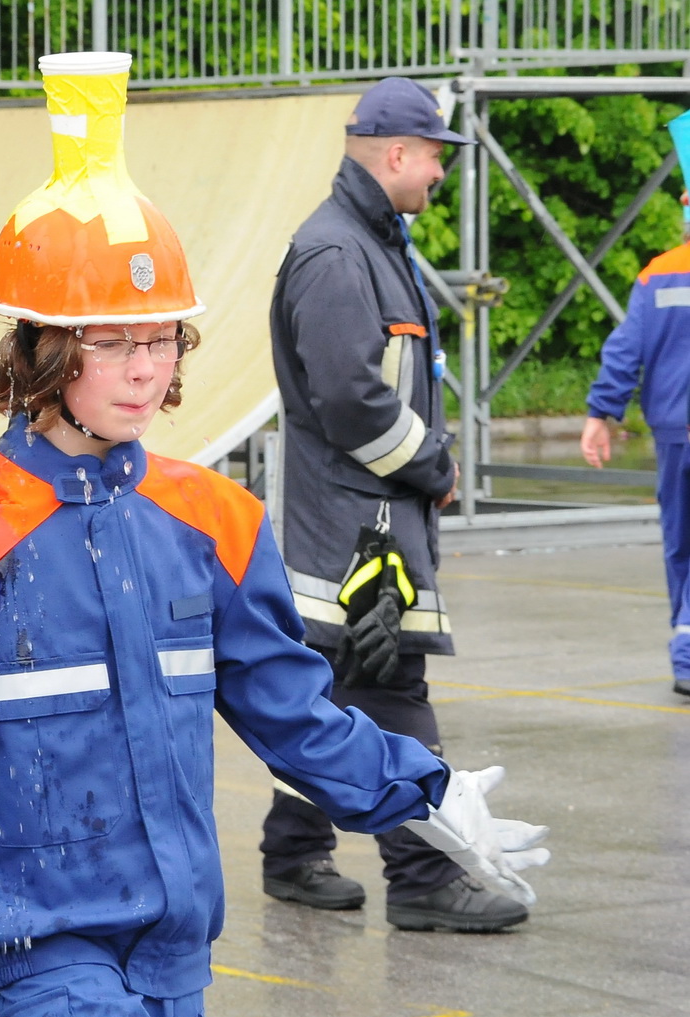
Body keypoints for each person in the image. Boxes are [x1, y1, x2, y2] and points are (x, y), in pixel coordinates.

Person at [0, 52, 547, 1017]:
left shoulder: (214, 521)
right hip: (44, 952)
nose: (144, 368)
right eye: (113, 341)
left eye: (161, 338)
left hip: (177, 956)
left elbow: (290, 714)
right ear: (40, 350)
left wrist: (422, 790)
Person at [261, 76, 532, 931]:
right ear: (397, 153)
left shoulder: (367, 242)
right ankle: (422, 878)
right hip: (359, 532)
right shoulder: (339, 255)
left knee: (332, 695)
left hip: (358, 522)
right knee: (391, 685)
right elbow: (349, 402)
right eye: (435, 159)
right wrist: (433, 466)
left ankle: (291, 853)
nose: (441, 174)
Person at [581, 148, 690, 699]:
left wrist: (601, 413)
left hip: (675, 435)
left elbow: (626, 350)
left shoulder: (659, 273)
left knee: (681, 543)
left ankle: (687, 649)